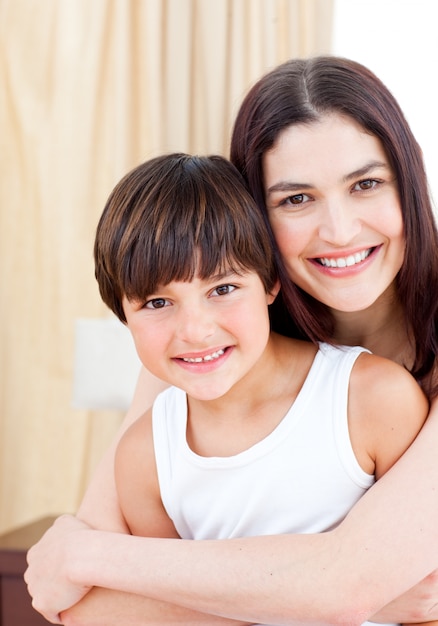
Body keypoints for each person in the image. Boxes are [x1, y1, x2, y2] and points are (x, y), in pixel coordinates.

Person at [25, 56, 438, 626]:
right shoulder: (209, 348)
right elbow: (81, 604)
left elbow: (346, 585)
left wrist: (88, 555)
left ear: (409, 181)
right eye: (296, 199)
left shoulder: (379, 397)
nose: (339, 230)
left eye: (366, 184)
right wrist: (305, 602)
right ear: (254, 222)